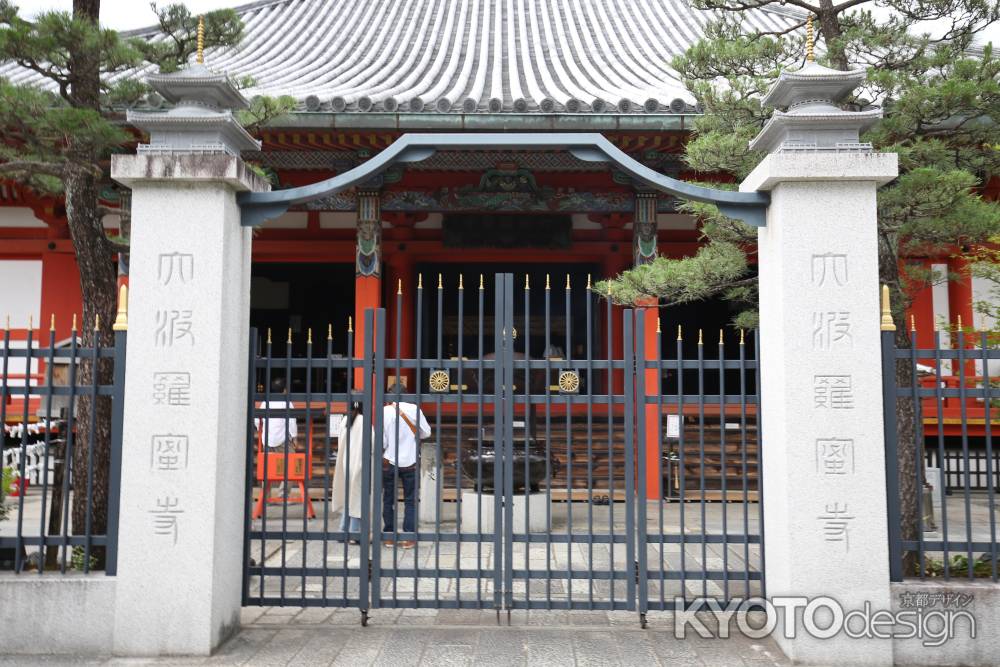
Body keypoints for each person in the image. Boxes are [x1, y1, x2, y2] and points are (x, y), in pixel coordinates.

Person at [382, 383, 431, 549]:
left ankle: (389, 536)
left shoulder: (385, 411)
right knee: (410, 500)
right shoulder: (415, 409)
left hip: (390, 461)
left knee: (389, 499)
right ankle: (408, 537)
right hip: (410, 461)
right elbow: (427, 432)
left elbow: (382, 441)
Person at [330, 402, 374, 544]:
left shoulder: (345, 420)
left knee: (349, 498)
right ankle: (354, 533)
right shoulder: (364, 422)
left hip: (346, 463)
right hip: (360, 464)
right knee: (357, 500)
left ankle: (343, 530)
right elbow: (372, 442)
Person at [255, 376, 299, 451]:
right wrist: (294, 438)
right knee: (289, 461)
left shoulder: (266, 402)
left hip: (267, 440)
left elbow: (257, 419)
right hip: (283, 441)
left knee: (269, 462)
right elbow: (292, 422)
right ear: (284, 390)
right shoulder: (287, 403)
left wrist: (260, 428)